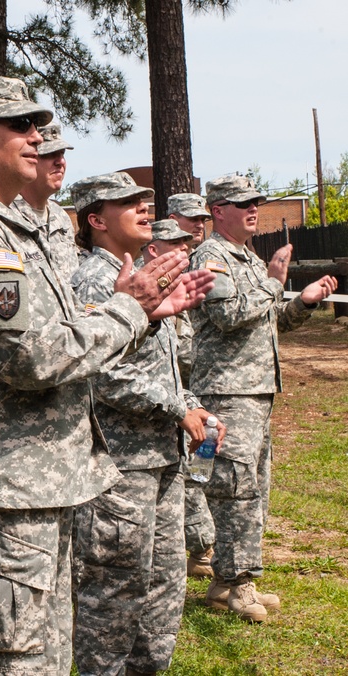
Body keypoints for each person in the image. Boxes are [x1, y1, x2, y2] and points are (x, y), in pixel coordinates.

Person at [0, 76, 216, 674]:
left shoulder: (4, 227)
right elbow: (33, 359)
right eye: (19, 127)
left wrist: (142, 316)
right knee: (8, 663)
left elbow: (56, 335)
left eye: (37, 125)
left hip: (35, 487)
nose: (36, 137)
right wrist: (127, 311)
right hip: (1, 497)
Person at [69, 199, 223, 675]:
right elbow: (98, 373)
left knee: (163, 585)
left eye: (144, 201)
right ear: (97, 221)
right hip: (120, 463)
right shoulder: (93, 281)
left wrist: (192, 401)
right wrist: (179, 409)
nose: (145, 208)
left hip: (161, 457)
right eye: (129, 205)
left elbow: (164, 365)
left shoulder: (144, 274)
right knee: (115, 592)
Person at [190, 174, 338, 621]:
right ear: (218, 210)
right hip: (226, 392)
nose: (254, 208)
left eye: (257, 201)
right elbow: (230, 316)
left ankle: (230, 580)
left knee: (254, 488)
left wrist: (304, 302)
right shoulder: (211, 257)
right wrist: (275, 281)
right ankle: (235, 585)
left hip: (255, 392)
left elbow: (269, 322)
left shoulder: (247, 260)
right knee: (234, 489)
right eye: (243, 203)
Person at [166, 191, 217, 579]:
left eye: (202, 220)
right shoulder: (163, 264)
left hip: (193, 383)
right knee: (186, 471)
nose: (197, 226)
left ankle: (201, 545)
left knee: (200, 465)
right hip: (173, 385)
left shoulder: (196, 264)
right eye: (190, 219)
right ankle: (201, 546)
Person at [12, 122, 80, 277]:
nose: (60, 162)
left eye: (62, 154)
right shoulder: (6, 213)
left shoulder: (61, 217)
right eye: (49, 154)